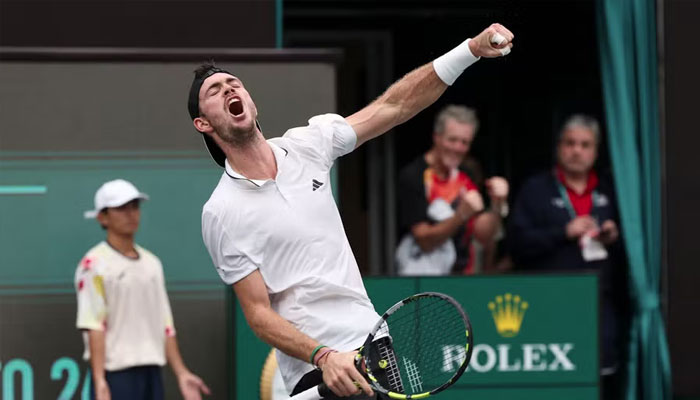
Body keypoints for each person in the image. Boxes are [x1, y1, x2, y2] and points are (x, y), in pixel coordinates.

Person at [190, 24, 514, 399]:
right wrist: (324, 356)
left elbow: (394, 106)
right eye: (214, 90)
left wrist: (469, 50)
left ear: (251, 101)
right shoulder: (221, 212)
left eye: (234, 83)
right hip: (311, 368)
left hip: (370, 342)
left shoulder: (308, 145)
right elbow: (258, 315)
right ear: (204, 123)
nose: (229, 88)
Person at [507, 115, 626, 398]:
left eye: (585, 145)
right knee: (553, 382)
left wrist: (613, 236)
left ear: (596, 151)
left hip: (599, 301)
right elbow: (516, 245)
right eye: (570, 143)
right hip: (546, 304)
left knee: (601, 378)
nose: (577, 150)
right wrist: (563, 231)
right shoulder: (536, 189)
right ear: (559, 147)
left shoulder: (613, 189)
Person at [75, 179, 210, 400]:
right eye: (121, 208)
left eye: (134, 206)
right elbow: (94, 325)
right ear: (103, 217)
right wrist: (100, 380)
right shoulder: (93, 265)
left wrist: (181, 372)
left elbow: (165, 324)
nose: (130, 214)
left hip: (151, 372)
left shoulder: (152, 264)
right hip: (115, 376)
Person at [396, 105, 509, 276]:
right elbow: (424, 240)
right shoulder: (414, 175)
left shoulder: (467, 173)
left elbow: (483, 234)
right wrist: (460, 217)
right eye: (452, 140)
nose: (458, 148)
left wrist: (497, 203)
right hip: (422, 280)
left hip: (463, 276)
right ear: (437, 137)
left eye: (464, 142)